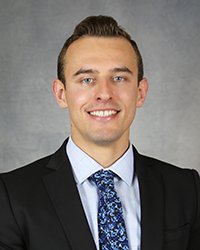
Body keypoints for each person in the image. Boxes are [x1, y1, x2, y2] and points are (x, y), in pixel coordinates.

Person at [0, 15, 199, 250]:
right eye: (87, 79)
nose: (104, 93)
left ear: (141, 92)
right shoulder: (11, 196)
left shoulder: (187, 189)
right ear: (61, 93)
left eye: (119, 78)